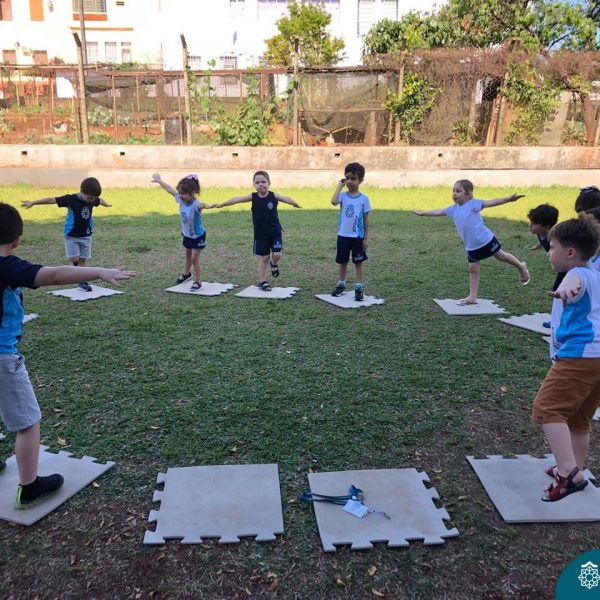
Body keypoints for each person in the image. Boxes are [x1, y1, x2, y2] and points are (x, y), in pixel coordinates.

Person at [0, 202, 135, 508]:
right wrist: (99, 271)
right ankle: (29, 487)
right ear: (17, 240)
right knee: (28, 423)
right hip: (3, 358)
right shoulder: (8, 266)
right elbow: (54, 275)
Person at [531, 214, 600, 501]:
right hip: (596, 358)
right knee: (579, 417)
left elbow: (573, 283)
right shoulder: (595, 273)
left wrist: (567, 289)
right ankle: (575, 466)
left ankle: (568, 474)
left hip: (581, 355)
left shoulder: (576, 275)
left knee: (547, 409)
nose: (549, 253)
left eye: (552, 247)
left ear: (570, 253)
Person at [414, 179, 530, 305]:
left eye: (458, 191)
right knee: (473, 270)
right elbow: (438, 211)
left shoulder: (473, 204)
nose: (454, 193)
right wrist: (422, 213)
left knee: (501, 256)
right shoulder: (453, 209)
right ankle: (472, 297)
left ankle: (521, 266)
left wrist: (508, 199)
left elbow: (491, 202)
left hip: (486, 240)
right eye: (453, 191)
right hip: (471, 246)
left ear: (468, 194)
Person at [213, 171, 301, 291]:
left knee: (277, 254)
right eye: (257, 182)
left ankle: (274, 264)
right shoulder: (253, 197)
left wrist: (295, 204)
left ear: (269, 183)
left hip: (275, 232)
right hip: (260, 234)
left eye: (263, 182)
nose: (261, 184)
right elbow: (237, 199)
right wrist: (222, 204)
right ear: (254, 184)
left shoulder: (273, 196)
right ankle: (263, 281)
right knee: (264, 258)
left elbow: (286, 198)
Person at [21, 177, 111, 292]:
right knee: (74, 258)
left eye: (93, 198)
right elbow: (52, 200)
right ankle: (78, 270)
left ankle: (82, 281)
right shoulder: (70, 199)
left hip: (86, 235)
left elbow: (100, 200)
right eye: (89, 198)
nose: (91, 201)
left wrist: (106, 204)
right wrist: (33, 202)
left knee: (83, 260)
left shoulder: (92, 199)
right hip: (71, 235)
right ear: (82, 191)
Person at [151, 173, 214, 291]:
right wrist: (160, 181)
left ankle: (198, 281)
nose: (180, 195)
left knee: (194, 258)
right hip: (186, 235)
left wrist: (208, 206)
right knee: (188, 255)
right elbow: (170, 190)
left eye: (184, 193)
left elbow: (202, 205)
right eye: (180, 193)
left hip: (197, 236)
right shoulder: (181, 200)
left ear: (192, 193)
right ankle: (186, 274)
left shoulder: (196, 204)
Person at [330, 162, 371, 301]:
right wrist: (339, 186)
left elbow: (366, 220)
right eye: (347, 178)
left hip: (357, 237)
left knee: (358, 263)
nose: (349, 181)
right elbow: (333, 201)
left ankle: (359, 288)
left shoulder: (364, 199)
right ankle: (341, 285)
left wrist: (365, 238)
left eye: (353, 178)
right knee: (343, 262)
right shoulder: (343, 196)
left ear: (361, 180)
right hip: (343, 236)